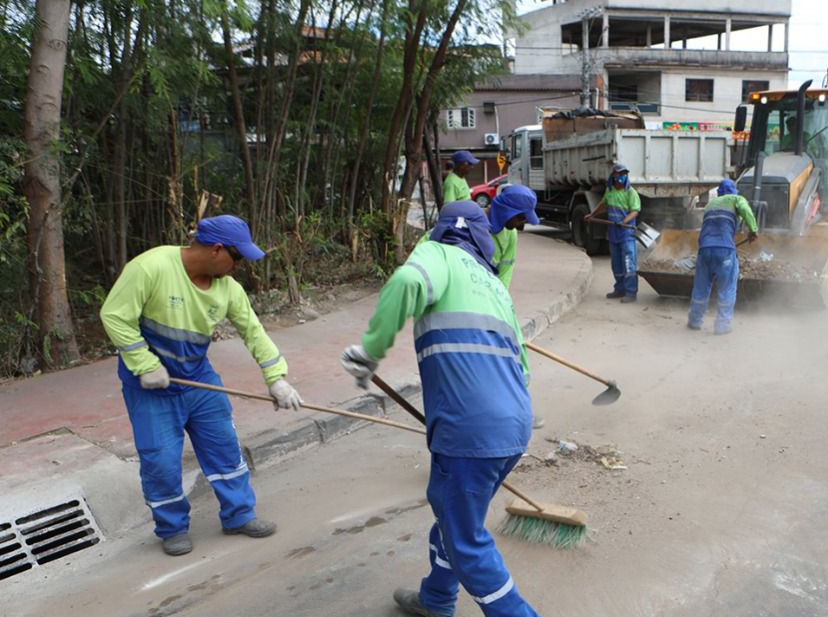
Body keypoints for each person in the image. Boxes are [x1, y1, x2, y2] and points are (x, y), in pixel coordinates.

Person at [340, 201, 541, 617]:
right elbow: (522, 365)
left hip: (468, 432)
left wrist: (370, 351)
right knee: (454, 518)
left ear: (446, 231)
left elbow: (406, 281)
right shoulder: (493, 284)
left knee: (466, 540)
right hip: (515, 426)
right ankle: (436, 598)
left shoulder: (438, 252)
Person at [99, 215, 302, 556]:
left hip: (198, 378)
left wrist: (277, 378)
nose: (238, 267)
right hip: (149, 386)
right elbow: (115, 316)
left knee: (224, 447)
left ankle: (238, 514)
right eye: (236, 259)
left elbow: (253, 332)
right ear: (216, 250)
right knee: (160, 460)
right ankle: (172, 528)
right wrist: (145, 364)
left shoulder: (227, 289)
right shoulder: (151, 268)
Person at [688, 179, 758, 335]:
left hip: (704, 249)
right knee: (727, 288)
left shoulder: (710, 205)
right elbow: (745, 209)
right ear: (733, 192)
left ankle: (694, 321)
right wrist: (753, 230)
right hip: (724, 250)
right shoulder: (736, 199)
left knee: (700, 288)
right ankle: (722, 326)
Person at [585, 163, 641, 303]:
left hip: (626, 234)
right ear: (614, 176)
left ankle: (630, 292)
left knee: (629, 263)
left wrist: (624, 221)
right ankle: (619, 289)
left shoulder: (630, 192)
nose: (622, 177)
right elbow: (604, 204)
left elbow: (635, 211)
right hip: (613, 233)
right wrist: (592, 215)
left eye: (625, 174)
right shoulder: (610, 191)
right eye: (620, 174)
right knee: (616, 263)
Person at [486, 184, 541, 289]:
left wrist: (501, 299)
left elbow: (505, 272)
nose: (520, 225)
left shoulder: (511, 234)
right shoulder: (475, 227)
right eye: (521, 217)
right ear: (506, 210)